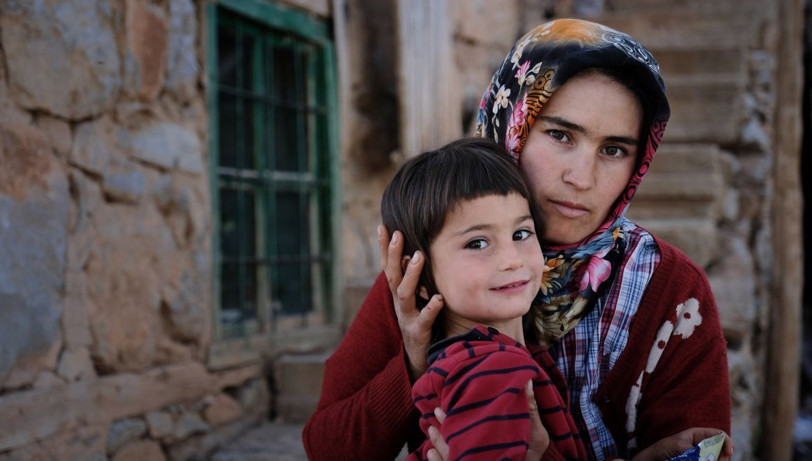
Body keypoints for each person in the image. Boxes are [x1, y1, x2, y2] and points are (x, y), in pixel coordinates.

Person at [303, 18, 732, 461]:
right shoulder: (436, 274)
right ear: (512, 124)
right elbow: (327, 447)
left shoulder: (670, 292)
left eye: (613, 150)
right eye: (561, 135)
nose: (581, 178)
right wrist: (415, 360)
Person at [379, 137, 587, 460]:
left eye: (521, 234)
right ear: (417, 273)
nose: (512, 260)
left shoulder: (501, 357)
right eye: (477, 243)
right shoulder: (490, 371)